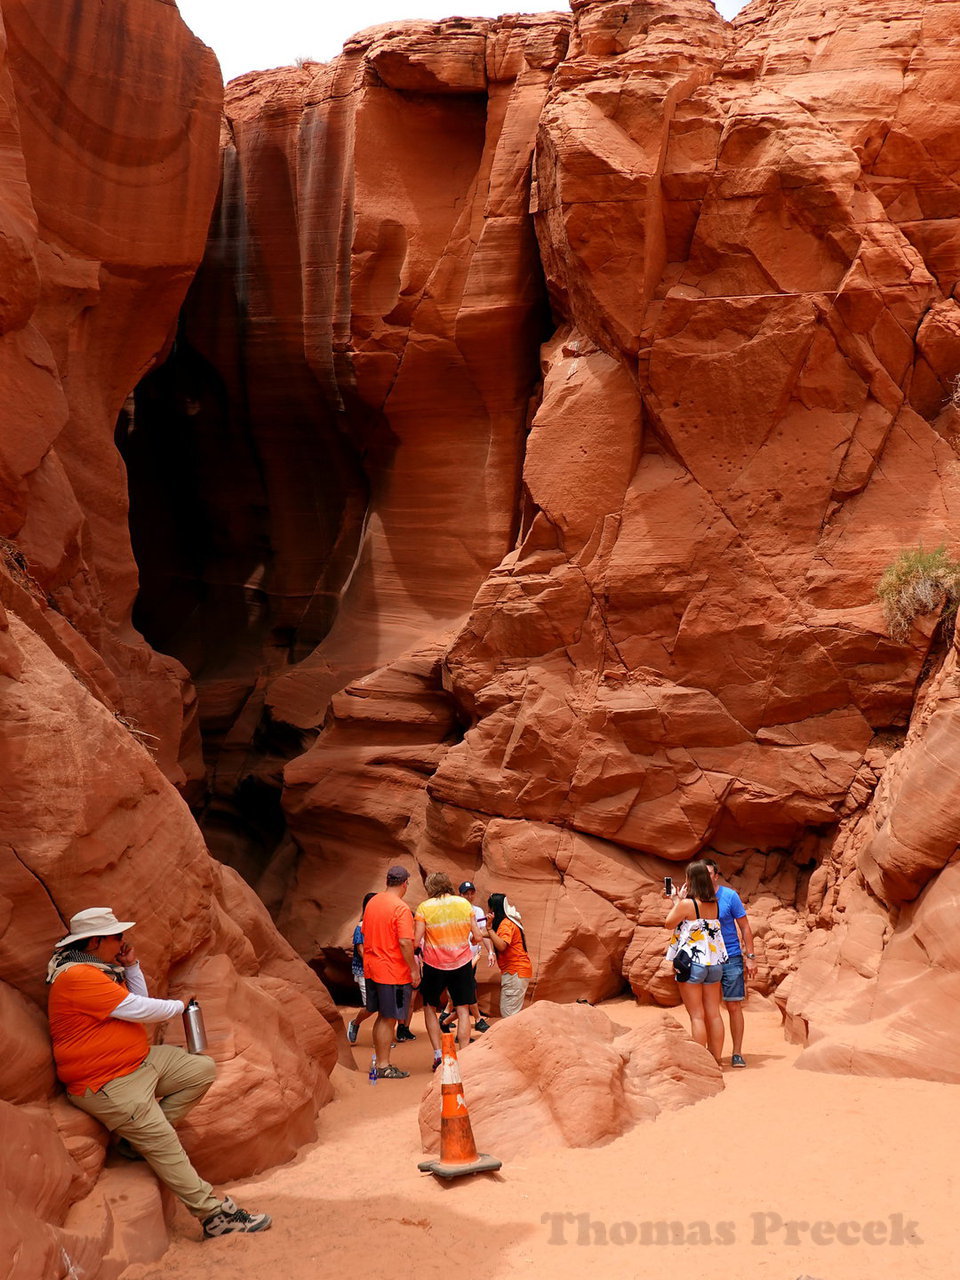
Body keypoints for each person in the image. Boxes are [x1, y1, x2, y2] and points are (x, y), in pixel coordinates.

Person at [46, 907, 271, 1239]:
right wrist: (179, 1006)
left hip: (138, 1063)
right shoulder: (77, 976)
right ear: (94, 941)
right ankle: (213, 1216)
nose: (123, 941)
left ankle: (137, 1145)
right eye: (117, 937)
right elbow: (137, 1010)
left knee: (201, 1069)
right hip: (106, 1082)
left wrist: (131, 965)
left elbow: (137, 1000)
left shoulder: (99, 968)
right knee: (165, 1142)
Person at [414, 873, 485, 1070]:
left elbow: (416, 939)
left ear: (430, 888)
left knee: (429, 1007)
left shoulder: (424, 908)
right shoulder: (464, 905)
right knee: (463, 1009)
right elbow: (478, 937)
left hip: (434, 965)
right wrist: (469, 941)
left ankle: (439, 1055)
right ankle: (464, 1055)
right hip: (461, 963)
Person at [664, 861, 727, 1065]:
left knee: (697, 1016)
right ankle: (716, 1059)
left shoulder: (687, 904)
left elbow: (669, 923)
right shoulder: (714, 903)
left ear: (691, 880)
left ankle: (702, 1065)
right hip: (714, 963)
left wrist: (676, 900)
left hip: (692, 964)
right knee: (714, 1014)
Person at [362, 865, 420, 1079]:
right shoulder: (401, 908)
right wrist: (414, 970)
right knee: (389, 1018)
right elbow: (405, 942)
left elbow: (366, 932)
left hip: (373, 967)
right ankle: (384, 1065)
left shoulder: (373, 902)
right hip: (392, 970)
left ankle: (380, 1062)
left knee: (383, 1016)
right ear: (405, 883)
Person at [704, 858, 758, 1068]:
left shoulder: (729, 896)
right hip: (706, 958)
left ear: (716, 875)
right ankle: (712, 1053)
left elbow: (744, 927)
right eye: (702, 874)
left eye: (709, 873)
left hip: (731, 957)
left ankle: (737, 1052)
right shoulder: (694, 898)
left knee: (733, 1005)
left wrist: (750, 957)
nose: (706, 877)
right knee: (709, 1008)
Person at [439, 881, 495, 1034]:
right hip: (458, 958)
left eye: (472, 893)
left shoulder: (478, 911)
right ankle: (477, 1019)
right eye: (466, 893)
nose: (469, 896)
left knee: (464, 989)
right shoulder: (454, 911)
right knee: (467, 989)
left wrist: (491, 951)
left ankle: (445, 1017)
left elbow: (483, 933)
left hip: (472, 957)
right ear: (460, 894)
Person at [486, 893, 533, 1017]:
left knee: (509, 1013)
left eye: (489, 908)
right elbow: (482, 934)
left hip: (515, 972)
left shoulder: (506, 924)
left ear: (494, 909)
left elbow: (501, 945)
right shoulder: (505, 923)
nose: (488, 911)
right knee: (511, 1012)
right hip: (517, 972)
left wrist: (489, 929)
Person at [346, 892, 376, 1045]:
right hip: (364, 971)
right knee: (371, 1006)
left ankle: (381, 1038)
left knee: (384, 1006)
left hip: (379, 970)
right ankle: (355, 1023)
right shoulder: (360, 927)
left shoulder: (378, 924)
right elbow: (361, 950)